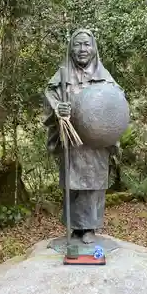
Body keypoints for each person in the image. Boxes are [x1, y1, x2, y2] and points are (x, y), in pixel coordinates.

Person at [43, 29, 121, 244]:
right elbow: (51, 102)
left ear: (94, 48)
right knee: (74, 185)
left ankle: (90, 228)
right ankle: (76, 228)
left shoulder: (105, 79)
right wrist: (59, 110)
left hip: (96, 142)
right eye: (77, 45)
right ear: (71, 48)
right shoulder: (62, 77)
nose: (82, 49)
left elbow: (116, 105)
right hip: (72, 140)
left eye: (86, 44)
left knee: (94, 184)